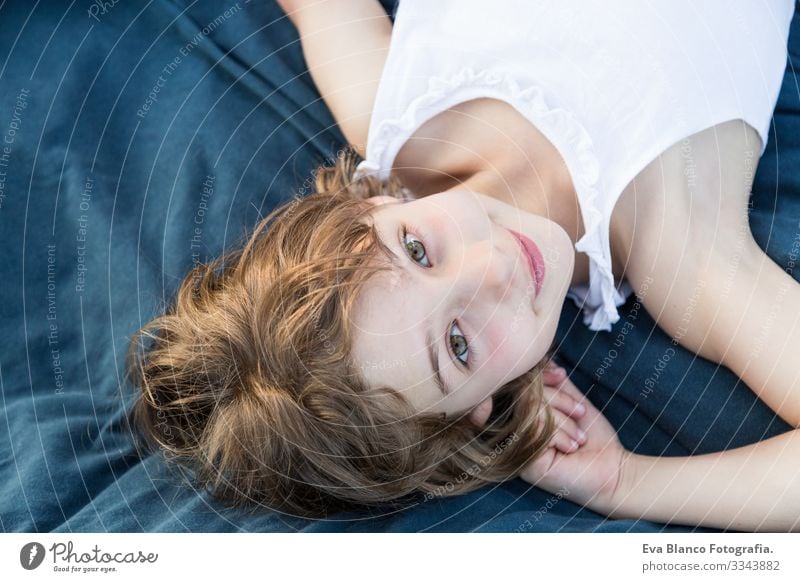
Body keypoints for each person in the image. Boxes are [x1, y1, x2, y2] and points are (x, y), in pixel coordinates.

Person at [128, 0, 800, 529]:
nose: (492, 266)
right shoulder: (684, 253)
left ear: (373, 209)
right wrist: (627, 482)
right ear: (477, 414)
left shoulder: (387, 109)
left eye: (417, 250)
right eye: (458, 344)